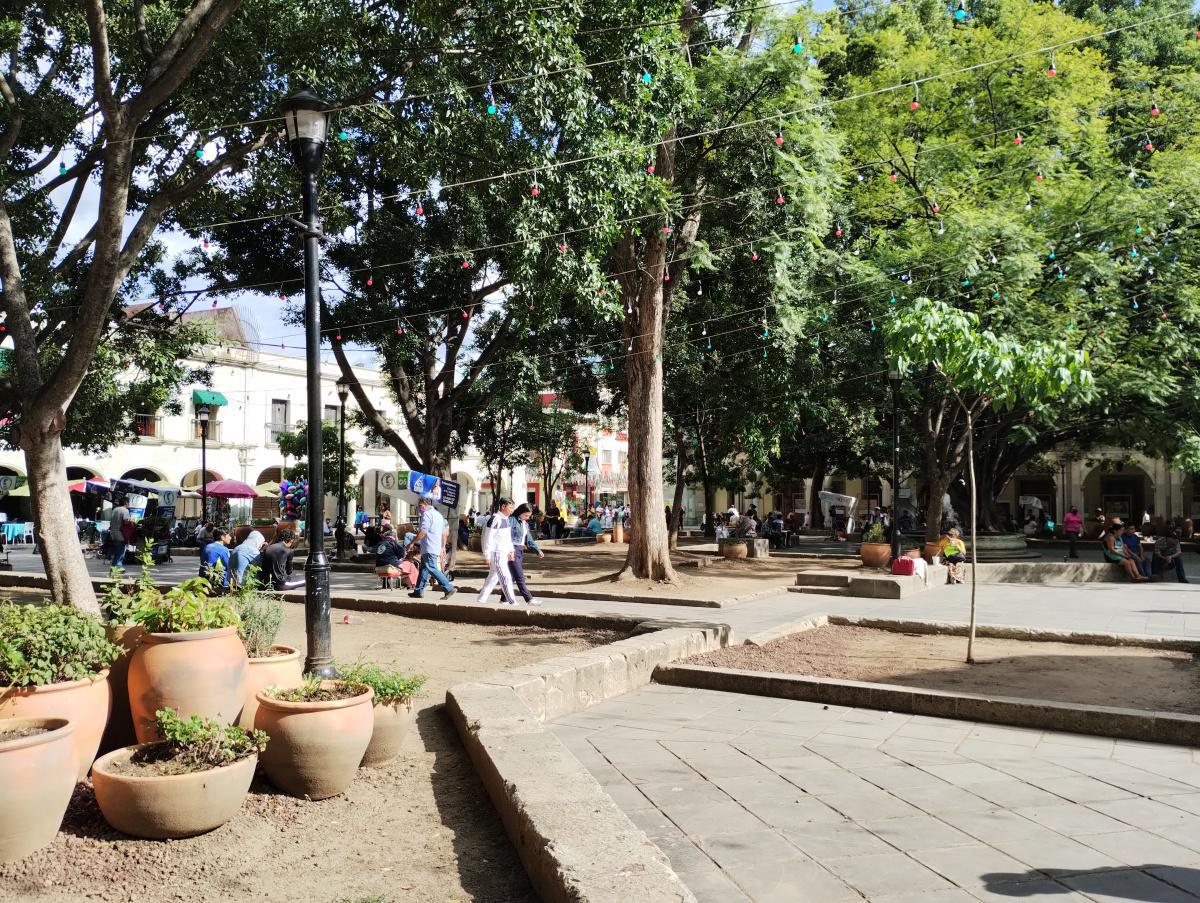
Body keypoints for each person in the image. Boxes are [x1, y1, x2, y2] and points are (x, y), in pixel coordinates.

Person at [405, 495, 456, 599]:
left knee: (431, 567)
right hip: (434, 546)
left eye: (420, 506)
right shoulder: (438, 515)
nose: (419, 508)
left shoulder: (427, 515)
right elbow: (443, 533)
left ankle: (448, 587)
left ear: (426, 504)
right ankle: (418, 591)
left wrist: (412, 543)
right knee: (424, 569)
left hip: (429, 546)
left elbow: (423, 531)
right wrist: (442, 547)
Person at [477, 498, 519, 605]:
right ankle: (512, 601)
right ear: (503, 506)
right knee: (506, 577)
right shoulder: (496, 519)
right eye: (510, 507)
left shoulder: (506, 519)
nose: (512, 510)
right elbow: (488, 537)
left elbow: (507, 538)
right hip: (497, 554)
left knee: (492, 578)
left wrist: (511, 550)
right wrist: (487, 555)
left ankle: (481, 600)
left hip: (503, 553)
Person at [508, 503, 544, 605]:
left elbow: (529, 539)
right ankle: (529, 599)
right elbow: (506, 536)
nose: (527, 518)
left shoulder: (525, 524)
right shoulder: (511, 520)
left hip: (519, 550)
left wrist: (538, 550)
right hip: (512, 550)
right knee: (520, 576)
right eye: (526, 515)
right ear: (520, 512)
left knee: (513, 577)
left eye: (529, 516)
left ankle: (504, 599)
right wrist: (509, 550)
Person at [108, 496, 131, 567]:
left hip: (113, 533)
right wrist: (131, 521)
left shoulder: (115, 509)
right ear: (126, 503)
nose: (128, 504)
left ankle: (115, 566)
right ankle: (117, 567)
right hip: (120, 534)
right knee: (120, 552)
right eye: (128, 503)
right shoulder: (125, 510)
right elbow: (126, 521)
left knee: (117, 551)